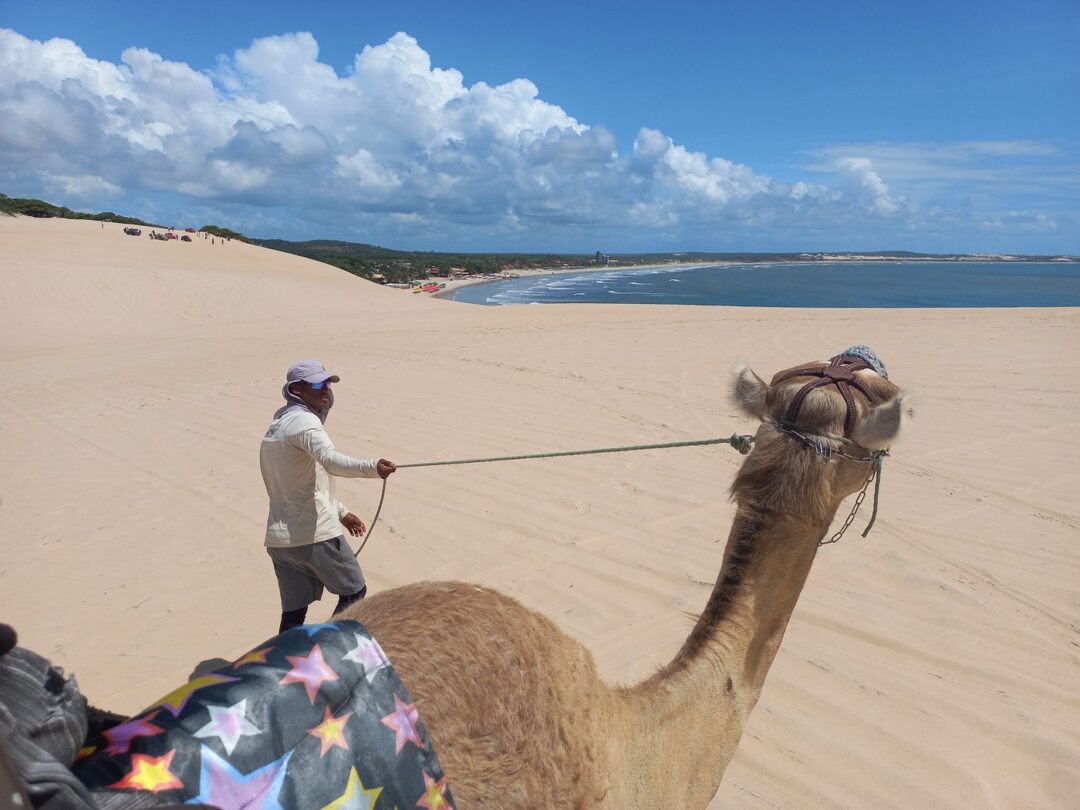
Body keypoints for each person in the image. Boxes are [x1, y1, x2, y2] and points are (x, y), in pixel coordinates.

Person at [260, 360, 396, 633]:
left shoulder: (277, 426)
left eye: (328, 384)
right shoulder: (304, 423)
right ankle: (326, 649)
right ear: (296, 390)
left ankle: (289, 658)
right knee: (354, 592)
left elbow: (302, 483)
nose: (326, 390)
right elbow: (331, 461)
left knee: (294, 614)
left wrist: (342, 513)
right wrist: (372, 468)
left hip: (281, 542)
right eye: (317, 384)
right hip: (315, 535)